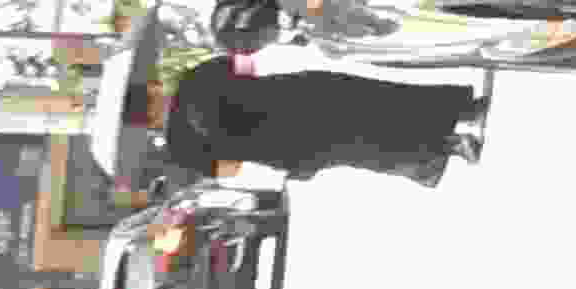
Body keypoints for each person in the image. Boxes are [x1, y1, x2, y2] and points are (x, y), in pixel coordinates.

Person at [153, 52, 485, 189]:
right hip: (296, 95)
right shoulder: (193, 79)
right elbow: (247, 65)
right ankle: (458, 111)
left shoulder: (182, 150)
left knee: (367, 150)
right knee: (379, 100)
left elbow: (232, 169)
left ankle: (449, 148)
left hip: (288, 146)